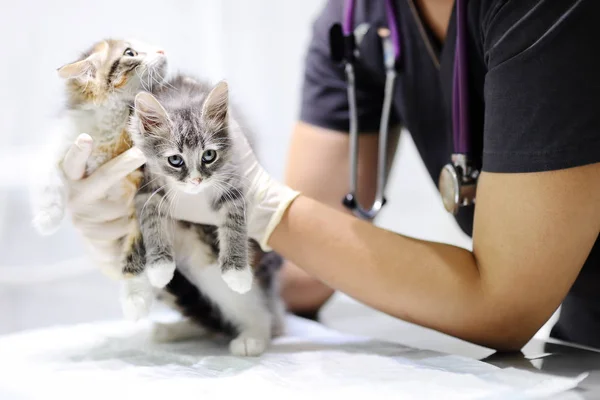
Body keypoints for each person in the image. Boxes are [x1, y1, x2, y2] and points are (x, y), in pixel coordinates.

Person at [61, 0, 600, 351]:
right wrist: (164, 248)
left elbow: (503, 307)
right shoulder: (353, 20)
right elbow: (301, 275)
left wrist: (263, 204)